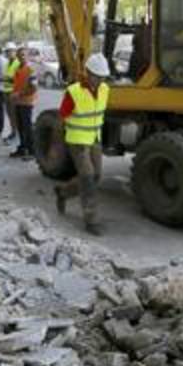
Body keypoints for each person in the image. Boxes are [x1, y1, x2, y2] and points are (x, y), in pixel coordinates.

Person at [54, 53, 111, 235]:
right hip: (77, 140)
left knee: (96, 176)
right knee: (87, 177)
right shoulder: (74, 92)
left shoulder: (105, 89)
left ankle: (63, 192)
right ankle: (91, 220)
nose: (100, 80)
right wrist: (56, 146)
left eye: (102, 77)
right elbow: (61, 117)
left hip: (94, 138)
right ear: (87, 73)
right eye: (96, 76)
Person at [9, 47, 38, 160]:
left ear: (28, 56)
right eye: (19, 55)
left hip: (27, 102)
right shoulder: (17, 68)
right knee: (20, 127)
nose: (21, 57)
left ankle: (32, 151)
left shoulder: (31, 69)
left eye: (23, 55)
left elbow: (34, 88)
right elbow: (17, 83)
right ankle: (22, 148)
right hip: (18, 102)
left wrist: (19, 94)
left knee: (27, 127)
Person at [1, 43, 20, 144]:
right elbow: (5, 77)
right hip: (6, 92)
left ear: (14, 52)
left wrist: (8, 79)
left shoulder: (17, 64)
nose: (8, 53)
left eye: (10, 51)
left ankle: (16, 133)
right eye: (7, 52)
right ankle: (13, 131)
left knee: (14, 114)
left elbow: (18, 80)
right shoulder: (7, 63)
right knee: (9, 113)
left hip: (13, 93)